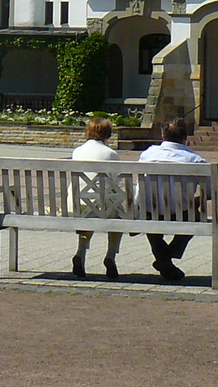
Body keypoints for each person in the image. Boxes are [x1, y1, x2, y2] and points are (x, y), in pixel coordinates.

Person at [136, 117, 205, 281]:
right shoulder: (195, 160)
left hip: (149, 213)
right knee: (194, 216)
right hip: (180, 213)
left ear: (163, 136)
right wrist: (194, 200)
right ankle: (167, 256)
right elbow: (212, 192)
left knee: (149, 215)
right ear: (185, 137)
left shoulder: (147, 154)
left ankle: (163, 258)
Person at [70, 117, 123, 280]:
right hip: (101, 205)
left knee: (90, 208)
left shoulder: (77, 151)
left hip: (77, 204)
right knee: (118, 214)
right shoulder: (111, 154)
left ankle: (80, 253)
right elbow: (114, 181)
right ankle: (110, 256)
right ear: (108, 134)